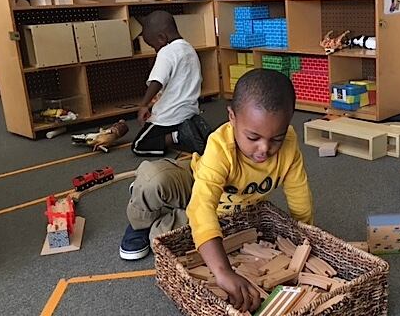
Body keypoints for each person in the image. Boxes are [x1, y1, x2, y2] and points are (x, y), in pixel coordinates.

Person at [120, 68, 314, 313]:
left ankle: (161, 214)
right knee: (153, 179)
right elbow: (202, 206)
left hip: (228, 214)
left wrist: (303, 241)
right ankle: (139, 220)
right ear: (232, 117)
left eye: (276, 138)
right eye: (253, 137)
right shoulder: (220, 145)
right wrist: (223, 272)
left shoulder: (289, 145)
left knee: (165, 240)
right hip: (194, 184)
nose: (264, 148)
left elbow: (300, 196)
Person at [131, 10, 211, 157]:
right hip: (189, 111)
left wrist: (143, 105)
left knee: (139, 145)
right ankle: (193, 126)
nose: (155, 50)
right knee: (183, 122)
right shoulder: (189, 49)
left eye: (153, 45)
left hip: (168, 116)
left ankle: (178, 135)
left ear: (162, 38)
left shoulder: (166, 52)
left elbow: (157, 81)